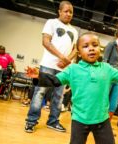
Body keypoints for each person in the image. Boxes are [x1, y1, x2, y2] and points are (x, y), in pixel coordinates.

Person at [24, 1, 78, 133]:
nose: (69, 14)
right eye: (66, 11)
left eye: (71, 12)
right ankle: (31, 121)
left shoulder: (74, 31)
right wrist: (62, 57)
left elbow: (76, 50)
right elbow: (46, 42)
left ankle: (53, 121)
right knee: (40, 93)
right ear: (59, 11)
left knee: (58, 96)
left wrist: (67, 61)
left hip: (63, 68)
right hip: (48, 65)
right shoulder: (51, 22)